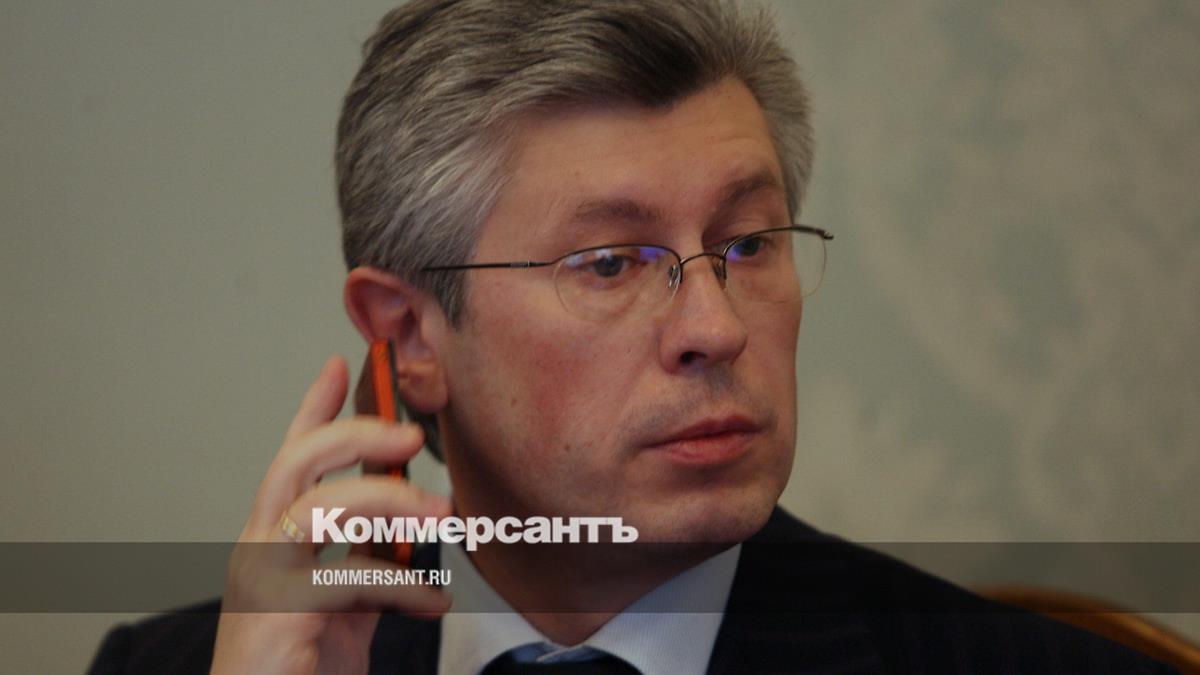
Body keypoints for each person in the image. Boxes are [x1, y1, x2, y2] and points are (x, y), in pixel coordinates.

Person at [88, 1, 1176, 673]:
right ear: (410, 334)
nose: (715, 326)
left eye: (748, 244)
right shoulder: (176, 665)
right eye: (611, 263)